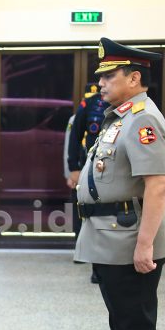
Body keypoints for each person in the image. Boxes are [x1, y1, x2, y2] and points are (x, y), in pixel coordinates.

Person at [75, 38, 165, 330]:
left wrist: (145, 244)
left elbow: (158, 184)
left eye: (109, 76)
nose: (101, 83)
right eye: (101, 77)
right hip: (112, 235)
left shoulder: (143, 119)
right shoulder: (123, 115)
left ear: (134, 78)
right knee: (123, 321)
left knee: (134, 325)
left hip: (129, 236)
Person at [67, 82, 107, 283]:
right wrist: (73, 168)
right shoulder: (90, 104)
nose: (104, 85)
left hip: (118, 171)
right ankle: (96, 267)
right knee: (93, 216)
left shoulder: (130, 108)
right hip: (91, 169)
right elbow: (74, 136)